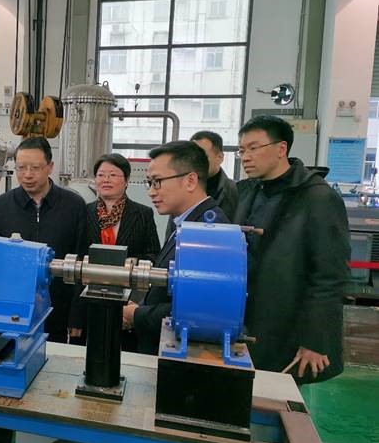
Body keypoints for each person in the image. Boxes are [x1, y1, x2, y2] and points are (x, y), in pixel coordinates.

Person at [0, 136, 87, 443]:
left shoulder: (74, 206)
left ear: (50, 167)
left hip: (56, 311)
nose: (27, 175)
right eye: (21, 167)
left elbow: (83, 263)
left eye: (35, 168)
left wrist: (77, 315)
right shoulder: (1, 206)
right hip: (7, 312)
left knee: (50, 382)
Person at [234, 115, 349, 384]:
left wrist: (315, 340)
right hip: (251, 319)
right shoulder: (247, 191)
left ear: (281, 148)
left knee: (281, 399)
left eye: (253, 148)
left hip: (290, 327)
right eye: (241, 150)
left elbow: (329, 276)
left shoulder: (317, 198)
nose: (245, 157)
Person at [122, 141, 229, 355]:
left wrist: (137, 315)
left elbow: (198, 309)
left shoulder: (208, 231)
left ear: (190, 181)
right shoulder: (182, 222)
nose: (151, 192)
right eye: (149, 183)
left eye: (157, 182)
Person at [87, 153, 161, 351]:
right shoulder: (85, 212)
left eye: (113, 175)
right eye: (101, 175)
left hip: (129, 298)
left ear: (126, 180)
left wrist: (129, 264)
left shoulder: (142, 214)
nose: (106, 180)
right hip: (92, 296)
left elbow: (154, 255)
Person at [190, 130, 238, 220]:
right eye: (192, 157)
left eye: (202, 157)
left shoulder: (235, 192)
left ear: (220, 157)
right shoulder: (183, 189)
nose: (195, 161)